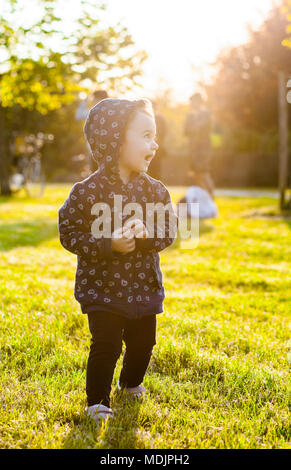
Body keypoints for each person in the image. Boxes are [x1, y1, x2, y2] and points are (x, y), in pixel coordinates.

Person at [58, 97, 178, 421]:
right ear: (115, 140)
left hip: (143, 287)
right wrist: (108, 243)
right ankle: (97, 401)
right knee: (106, 345)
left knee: (143, 344)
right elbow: (69, 233)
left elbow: (168, 230)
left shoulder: (156, 191)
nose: (154, 144)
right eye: (146, 135)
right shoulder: (86, 192)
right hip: (102, 290)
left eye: (155, 136)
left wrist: (145, 234)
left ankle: (130, 383)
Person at [184, 93, 215, 198]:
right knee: (196, 174)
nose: (191, 104)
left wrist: (194, 127)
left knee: (204, 172)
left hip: (203, 148)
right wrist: (194, 127)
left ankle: (211, 198)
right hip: (193, 149)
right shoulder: (190, 115)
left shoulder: (206, 114)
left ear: (199, 101)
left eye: (193, 101)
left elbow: (202, 126)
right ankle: (203, 199)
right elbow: (186, 131)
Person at [147, 102, 168, 180]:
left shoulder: (160, 119)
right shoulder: (146, 117)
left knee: (156, 169)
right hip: (147, 147)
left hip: (157, 148)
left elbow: (163, 132)